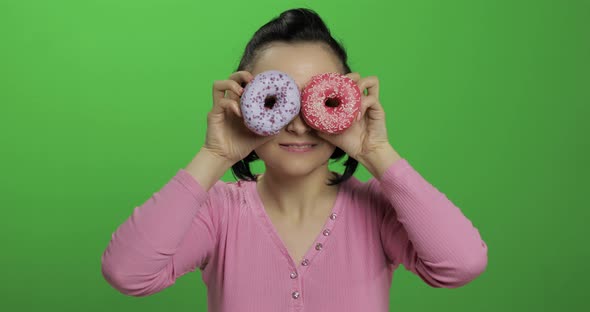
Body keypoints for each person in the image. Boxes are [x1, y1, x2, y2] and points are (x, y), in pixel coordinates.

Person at [101, 8, 488, 312]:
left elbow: (461, 264)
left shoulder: (378, 212)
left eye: (318, 101)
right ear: (243, 103)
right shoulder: (218, 214)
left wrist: (376, 153)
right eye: (275, 101)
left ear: (346, 103)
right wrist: (214, 154)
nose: (300, 126)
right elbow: (127, 273)